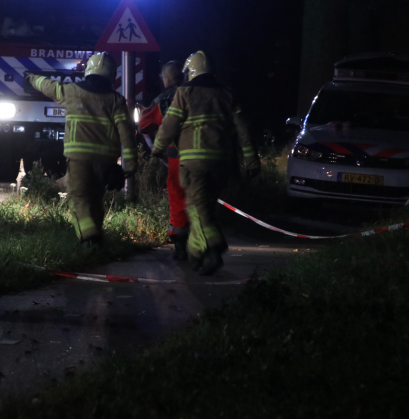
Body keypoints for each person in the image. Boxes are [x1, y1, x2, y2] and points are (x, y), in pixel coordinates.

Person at [152, 51, 260, 275]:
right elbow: (244, 129)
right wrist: (251, 160)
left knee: (198, 207)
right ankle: (199, 253)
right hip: (222, 164)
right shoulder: (228, 95)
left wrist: (157, 148)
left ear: (190, 72)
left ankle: (214, 244)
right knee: (205, 207)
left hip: (194, 164)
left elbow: (170, 124)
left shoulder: (184, 93)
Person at [24, 53, 137, 246]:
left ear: (88, 71)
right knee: (95, 199)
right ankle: (96, 238)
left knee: (79, 199)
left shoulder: (72, 91)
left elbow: (48, 86)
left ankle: (89, 236)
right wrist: (130, 165)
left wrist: (31, 77)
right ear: (112, 75)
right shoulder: (116, 100)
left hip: (78, 158)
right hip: (106, 160)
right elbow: (126, 133)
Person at [138, 60, 189, 260]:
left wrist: (146, 112)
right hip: (206, 156)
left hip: (178, 157)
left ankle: (180, 243)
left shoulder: (165, 99)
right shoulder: (197, 95)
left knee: (177, 195)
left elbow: (144, 125)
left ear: (165, 78)